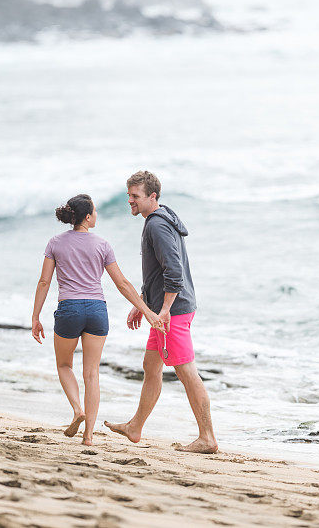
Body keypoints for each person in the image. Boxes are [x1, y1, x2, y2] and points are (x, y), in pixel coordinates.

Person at [31, 193, 163, 446]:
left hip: (69, 309)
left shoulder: (55, 243)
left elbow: (44, 281)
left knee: (64, 365)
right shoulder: (102, 245)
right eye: (95, 211)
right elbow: (122, 283)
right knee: (92, 374)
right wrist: (147, 311)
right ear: (88, 217)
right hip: (96, 310)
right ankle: (89, 435)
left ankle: (77, 409)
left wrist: (35, 317)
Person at [105, 171, 218, 454]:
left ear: (152, 197)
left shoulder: (157, 226)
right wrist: (142, 303)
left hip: (173, 312)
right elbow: (158, 271)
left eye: (135, 196)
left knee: (187, 372)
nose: (129, 201)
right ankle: (135, 427)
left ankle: (207, 438)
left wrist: (164, 310)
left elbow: (174, 272)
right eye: (128, 195)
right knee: (151, 367)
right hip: (164, 310)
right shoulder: (161, 218)